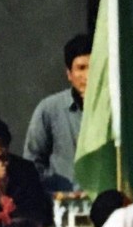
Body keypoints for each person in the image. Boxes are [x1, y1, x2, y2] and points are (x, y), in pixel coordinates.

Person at [25, 34, 92, 192]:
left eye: (94, 67)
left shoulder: (115, 110)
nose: (88, 76)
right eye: (81, 68)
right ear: (69, 74)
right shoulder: (49, 109)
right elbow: (32, 161)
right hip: (63, 204)